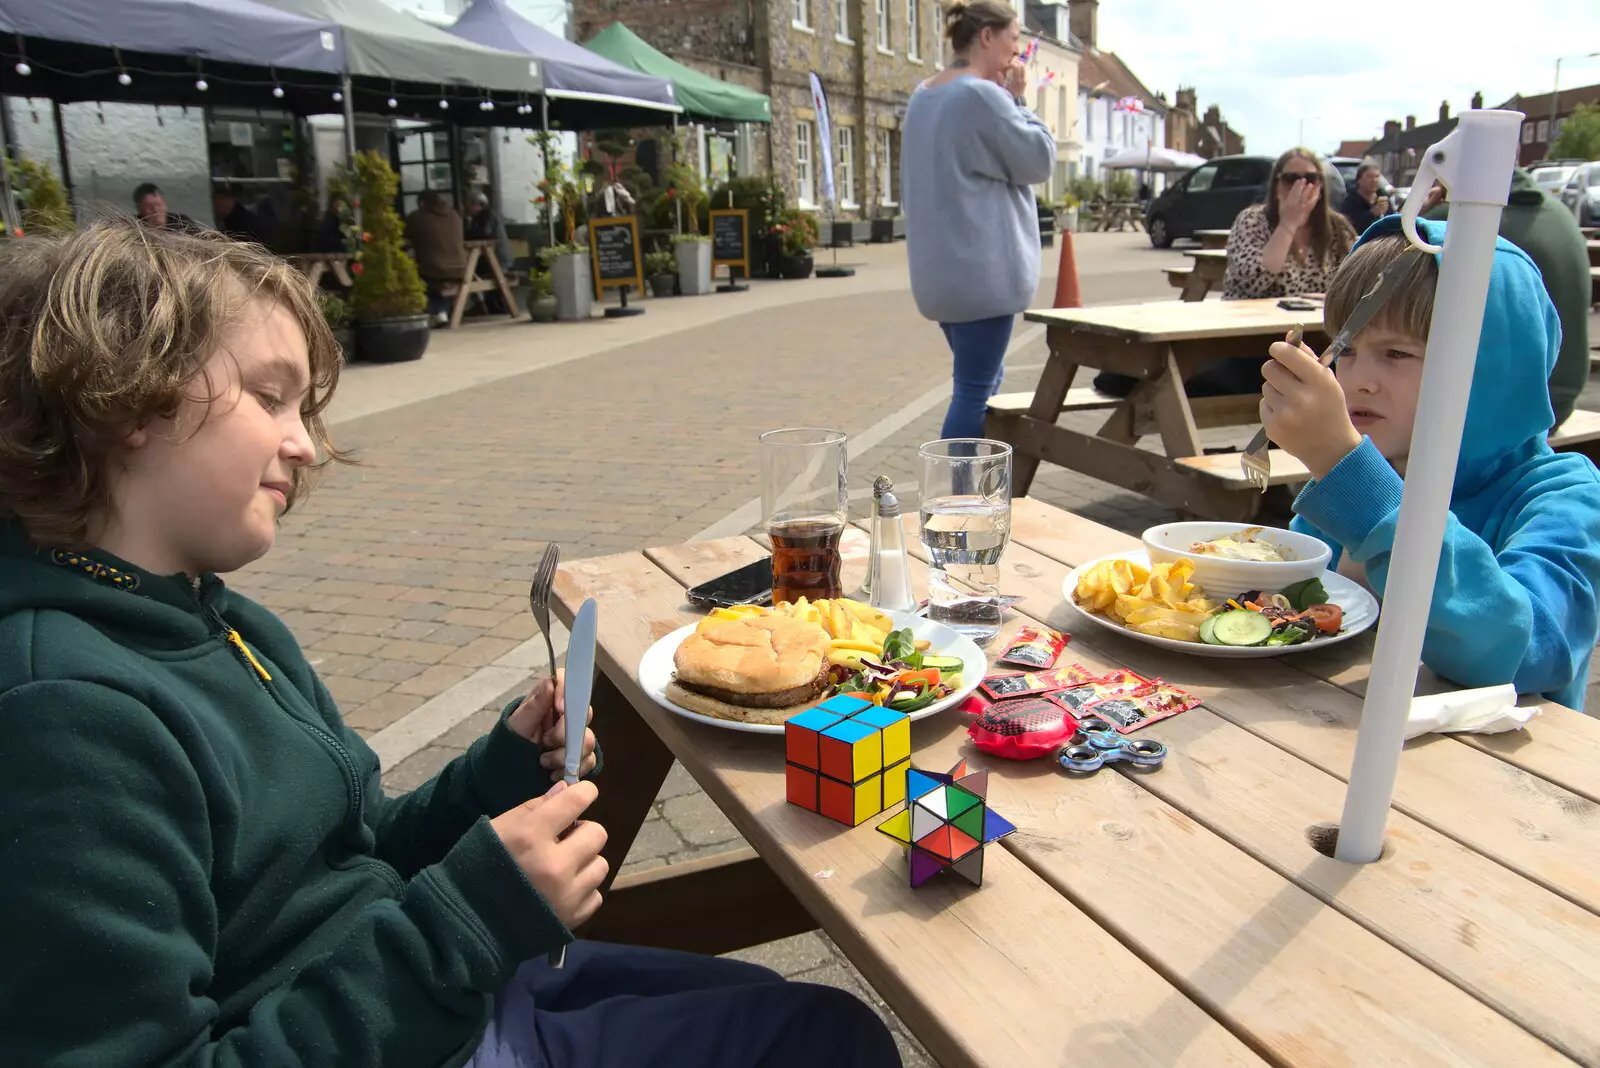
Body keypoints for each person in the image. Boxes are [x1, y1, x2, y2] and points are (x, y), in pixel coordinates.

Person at [0, 221, 902, 1068]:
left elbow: (357, 853)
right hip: (430, 1019)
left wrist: (498, 770)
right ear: (126, 396)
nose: (305, 445)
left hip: (447, 989)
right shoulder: (66, 718)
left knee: (816, 1023)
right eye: (271, 396)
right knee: (820, 1046)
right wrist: (469, 920)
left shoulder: (218, 619)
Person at [1259, 216, 1600, 708]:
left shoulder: (1563, 497)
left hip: (1496, 769)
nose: (1358, 380)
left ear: (1491, 370)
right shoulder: (1379, 470)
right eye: (1347, 349)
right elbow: (1291, 603)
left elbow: (1519, 649)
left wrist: (1351, 476)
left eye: (1396, 353)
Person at [902, 0, 1056, 439]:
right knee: (973, 391)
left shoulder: (924, 93)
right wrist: (1021, 99)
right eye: (1012, 41)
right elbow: (1038, 160)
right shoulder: (981, 95)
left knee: (984, 380)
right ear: (986, 37)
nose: (1016, 55)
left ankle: (972, 487)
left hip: (942, 276)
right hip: (981, 275)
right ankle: (954, 496)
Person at [1426, 168, 1592, 429]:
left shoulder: (1457, 217)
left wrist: (1422, 211)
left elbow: (1392, 260)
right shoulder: (1558, 214)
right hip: (1562, 397)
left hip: (1508, 416)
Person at [1222, 147, 1359, 301]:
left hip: (1314, 322)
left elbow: (1357, 283)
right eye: (1290, 179)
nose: (1300, 186)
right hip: (1255, 320)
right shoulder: (1251, 220)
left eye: (1310, 178)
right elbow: (1253, 282)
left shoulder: (1337, 227)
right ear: (1276, 186)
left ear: (1320, 186)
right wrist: (1288, 224)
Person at [406, 190, 470, 326]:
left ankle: (437, 311)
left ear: (422, 203)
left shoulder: (417, 217)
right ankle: (442, 311)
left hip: (435, 269)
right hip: (461, 268)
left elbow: (404, 236)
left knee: (418, 274)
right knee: (434, 273)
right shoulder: (454, 214)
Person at [466, 191, 514, 315]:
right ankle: (481, 304)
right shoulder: (488, 215)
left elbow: (483, 234)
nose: (467, 209)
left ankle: (480, 304)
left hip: (497, 259)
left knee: (467, 271)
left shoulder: (486, 215)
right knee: (469, 270)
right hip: (498, 258)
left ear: (477, 205)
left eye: (469, 205)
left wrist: (467, 235)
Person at [1338, 162, 1390, 235]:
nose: (1374, 180)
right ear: (1359, 179)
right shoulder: (1351, 200)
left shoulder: (1383, 196)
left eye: (1377, 176)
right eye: (1369, 176)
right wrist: (1372, 213)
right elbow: (1349, 225)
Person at [132, 181, 199, 232]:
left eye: (159, 205)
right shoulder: (132, 226)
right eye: (150, 208)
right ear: (140, 210)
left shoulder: (182, 223)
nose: (156, 211)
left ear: (165, 204)